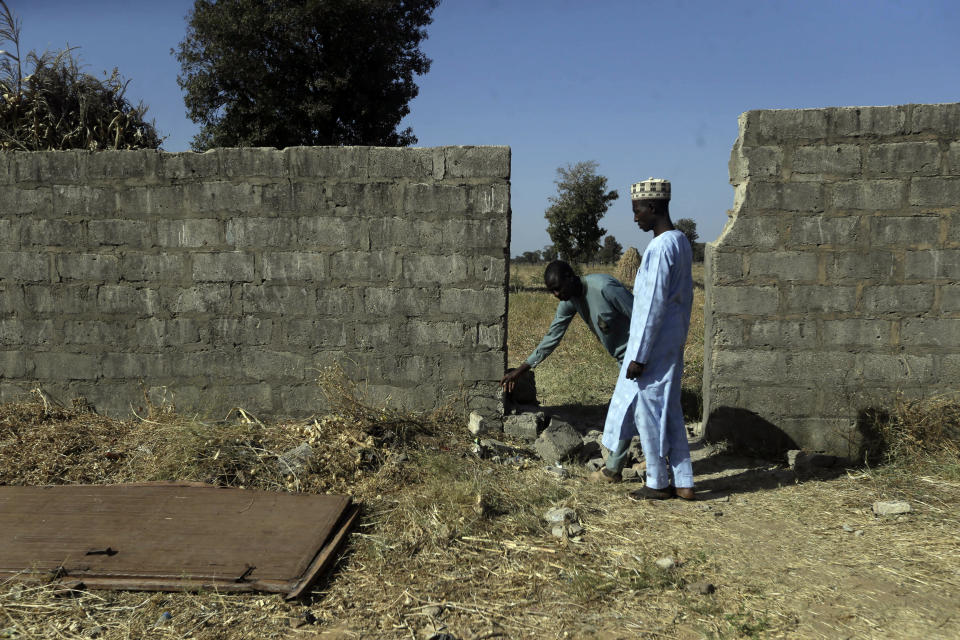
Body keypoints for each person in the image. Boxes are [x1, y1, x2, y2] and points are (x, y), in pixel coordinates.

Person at [500, 259, 639, 479]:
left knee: (624, 409)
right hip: (626, 361)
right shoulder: (571, 300)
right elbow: (552, 336)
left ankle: (614, 469)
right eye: (551, 291)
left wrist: (642, 357)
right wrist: (522, 369)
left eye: (557, 288)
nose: (555, 294)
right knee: (640, 410)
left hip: (640, 358)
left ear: (570, 277)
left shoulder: (603, 287)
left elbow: (642, 318)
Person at [602, 177, 695, 500]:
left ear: (652, 207)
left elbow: (653, 305)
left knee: (647, 410)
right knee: (669, 409)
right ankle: (684, 480)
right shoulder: (681, 241)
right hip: (671, 340)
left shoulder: (659, 247)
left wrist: (639, 356)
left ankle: (657, 481)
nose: (635, 217)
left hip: (653, 345)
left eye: (637, 210)